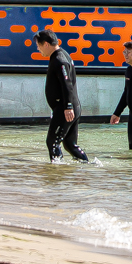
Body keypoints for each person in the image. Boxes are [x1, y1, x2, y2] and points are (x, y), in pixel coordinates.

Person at [35, 29, 89, 163]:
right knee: (70, 144)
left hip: (65, 108)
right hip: (70, 106)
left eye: (39, 46)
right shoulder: (62, 54)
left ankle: (57, 172)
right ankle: (87, 166)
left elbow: (67, 84)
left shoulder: (59, 60)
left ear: (46, 44)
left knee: (52, 142)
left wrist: (68, 107)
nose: (38, 49)